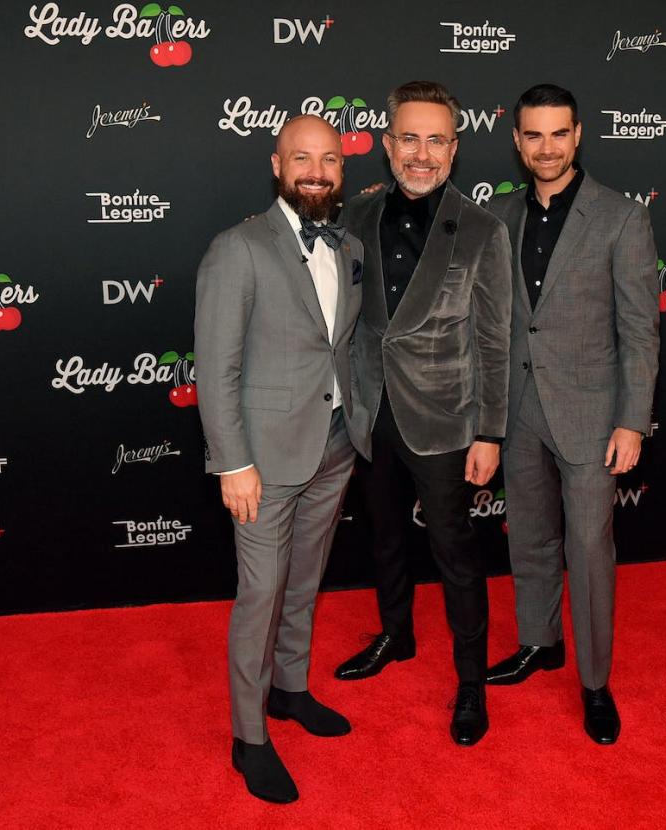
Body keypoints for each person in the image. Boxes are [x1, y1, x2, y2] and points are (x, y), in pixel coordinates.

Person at [334, 81, 513, 747]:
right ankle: (396, 635)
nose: (421, 152)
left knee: (455, 554)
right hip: (370, 410)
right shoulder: (354, 216)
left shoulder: (483, 230)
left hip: (443, 419)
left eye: (436, 140)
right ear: (386, 144)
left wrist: (490, 431)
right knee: (383, 537)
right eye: (409, 137)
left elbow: (495, 340)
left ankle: (470, 683)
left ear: (454, 149)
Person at [193, 115, 365, 803]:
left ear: (342, 170)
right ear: (277, 164)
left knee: (304, 580)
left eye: (329, 158)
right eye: (302, 158)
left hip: (332, 444)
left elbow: (341, 347)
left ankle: (289, 690)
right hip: (261, 460)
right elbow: (215, 368)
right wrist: (233, 463)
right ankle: (248, 736)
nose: (316, 170)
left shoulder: (348, 245)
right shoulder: (238, 248)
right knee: (260, 595)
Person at [484, 84, 660, 745]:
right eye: (534, 136)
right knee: (529, 539)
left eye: (559, 134)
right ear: (517, 140)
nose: (547, 148)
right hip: (520, 409)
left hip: (591, 413)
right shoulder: (501, 216)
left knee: (588, 551)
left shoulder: (620, 218)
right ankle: (540, 643)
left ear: (578, 135)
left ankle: (593, 682)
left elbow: (640, 330)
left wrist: (631, 420)